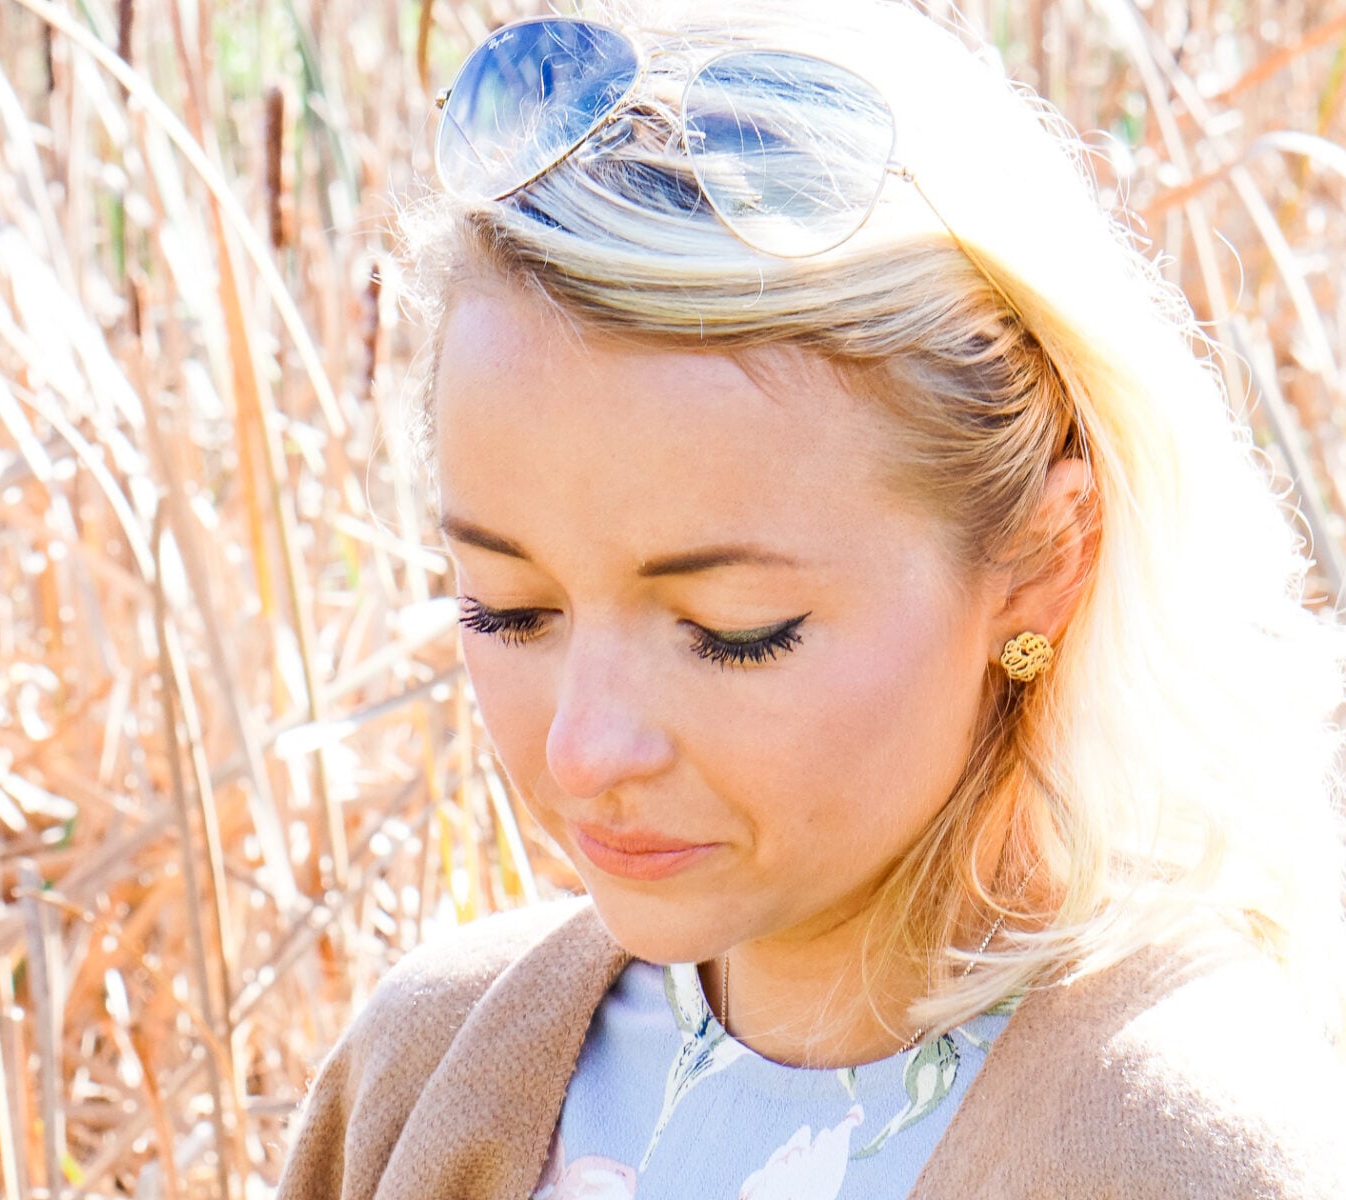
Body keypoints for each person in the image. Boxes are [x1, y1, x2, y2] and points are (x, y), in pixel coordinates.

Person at [276, 1, 1346, 1196]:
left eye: (734, 634)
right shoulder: (423, 1066)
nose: (585, 751)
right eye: (508, 609)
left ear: (1045, 559)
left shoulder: (1182, 1150)